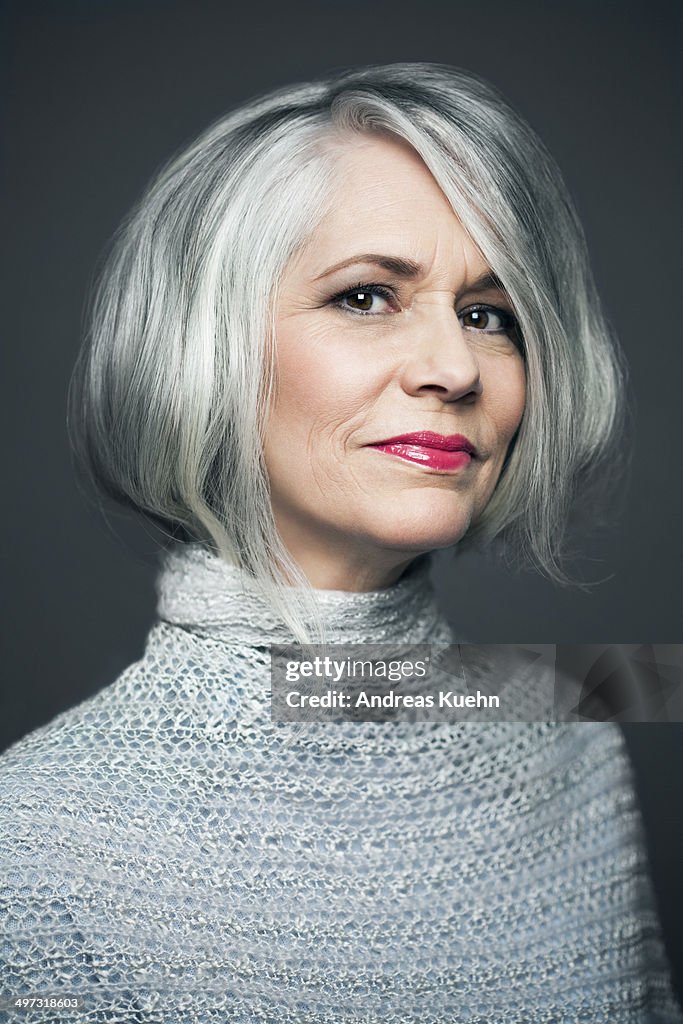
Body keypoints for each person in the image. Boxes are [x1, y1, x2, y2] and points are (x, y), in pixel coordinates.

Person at [0, 63, 680, 1022]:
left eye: (490, 315)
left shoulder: (575, 740)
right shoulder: (30, 847)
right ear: (205, 344)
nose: (453, 368)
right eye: (366, 297)